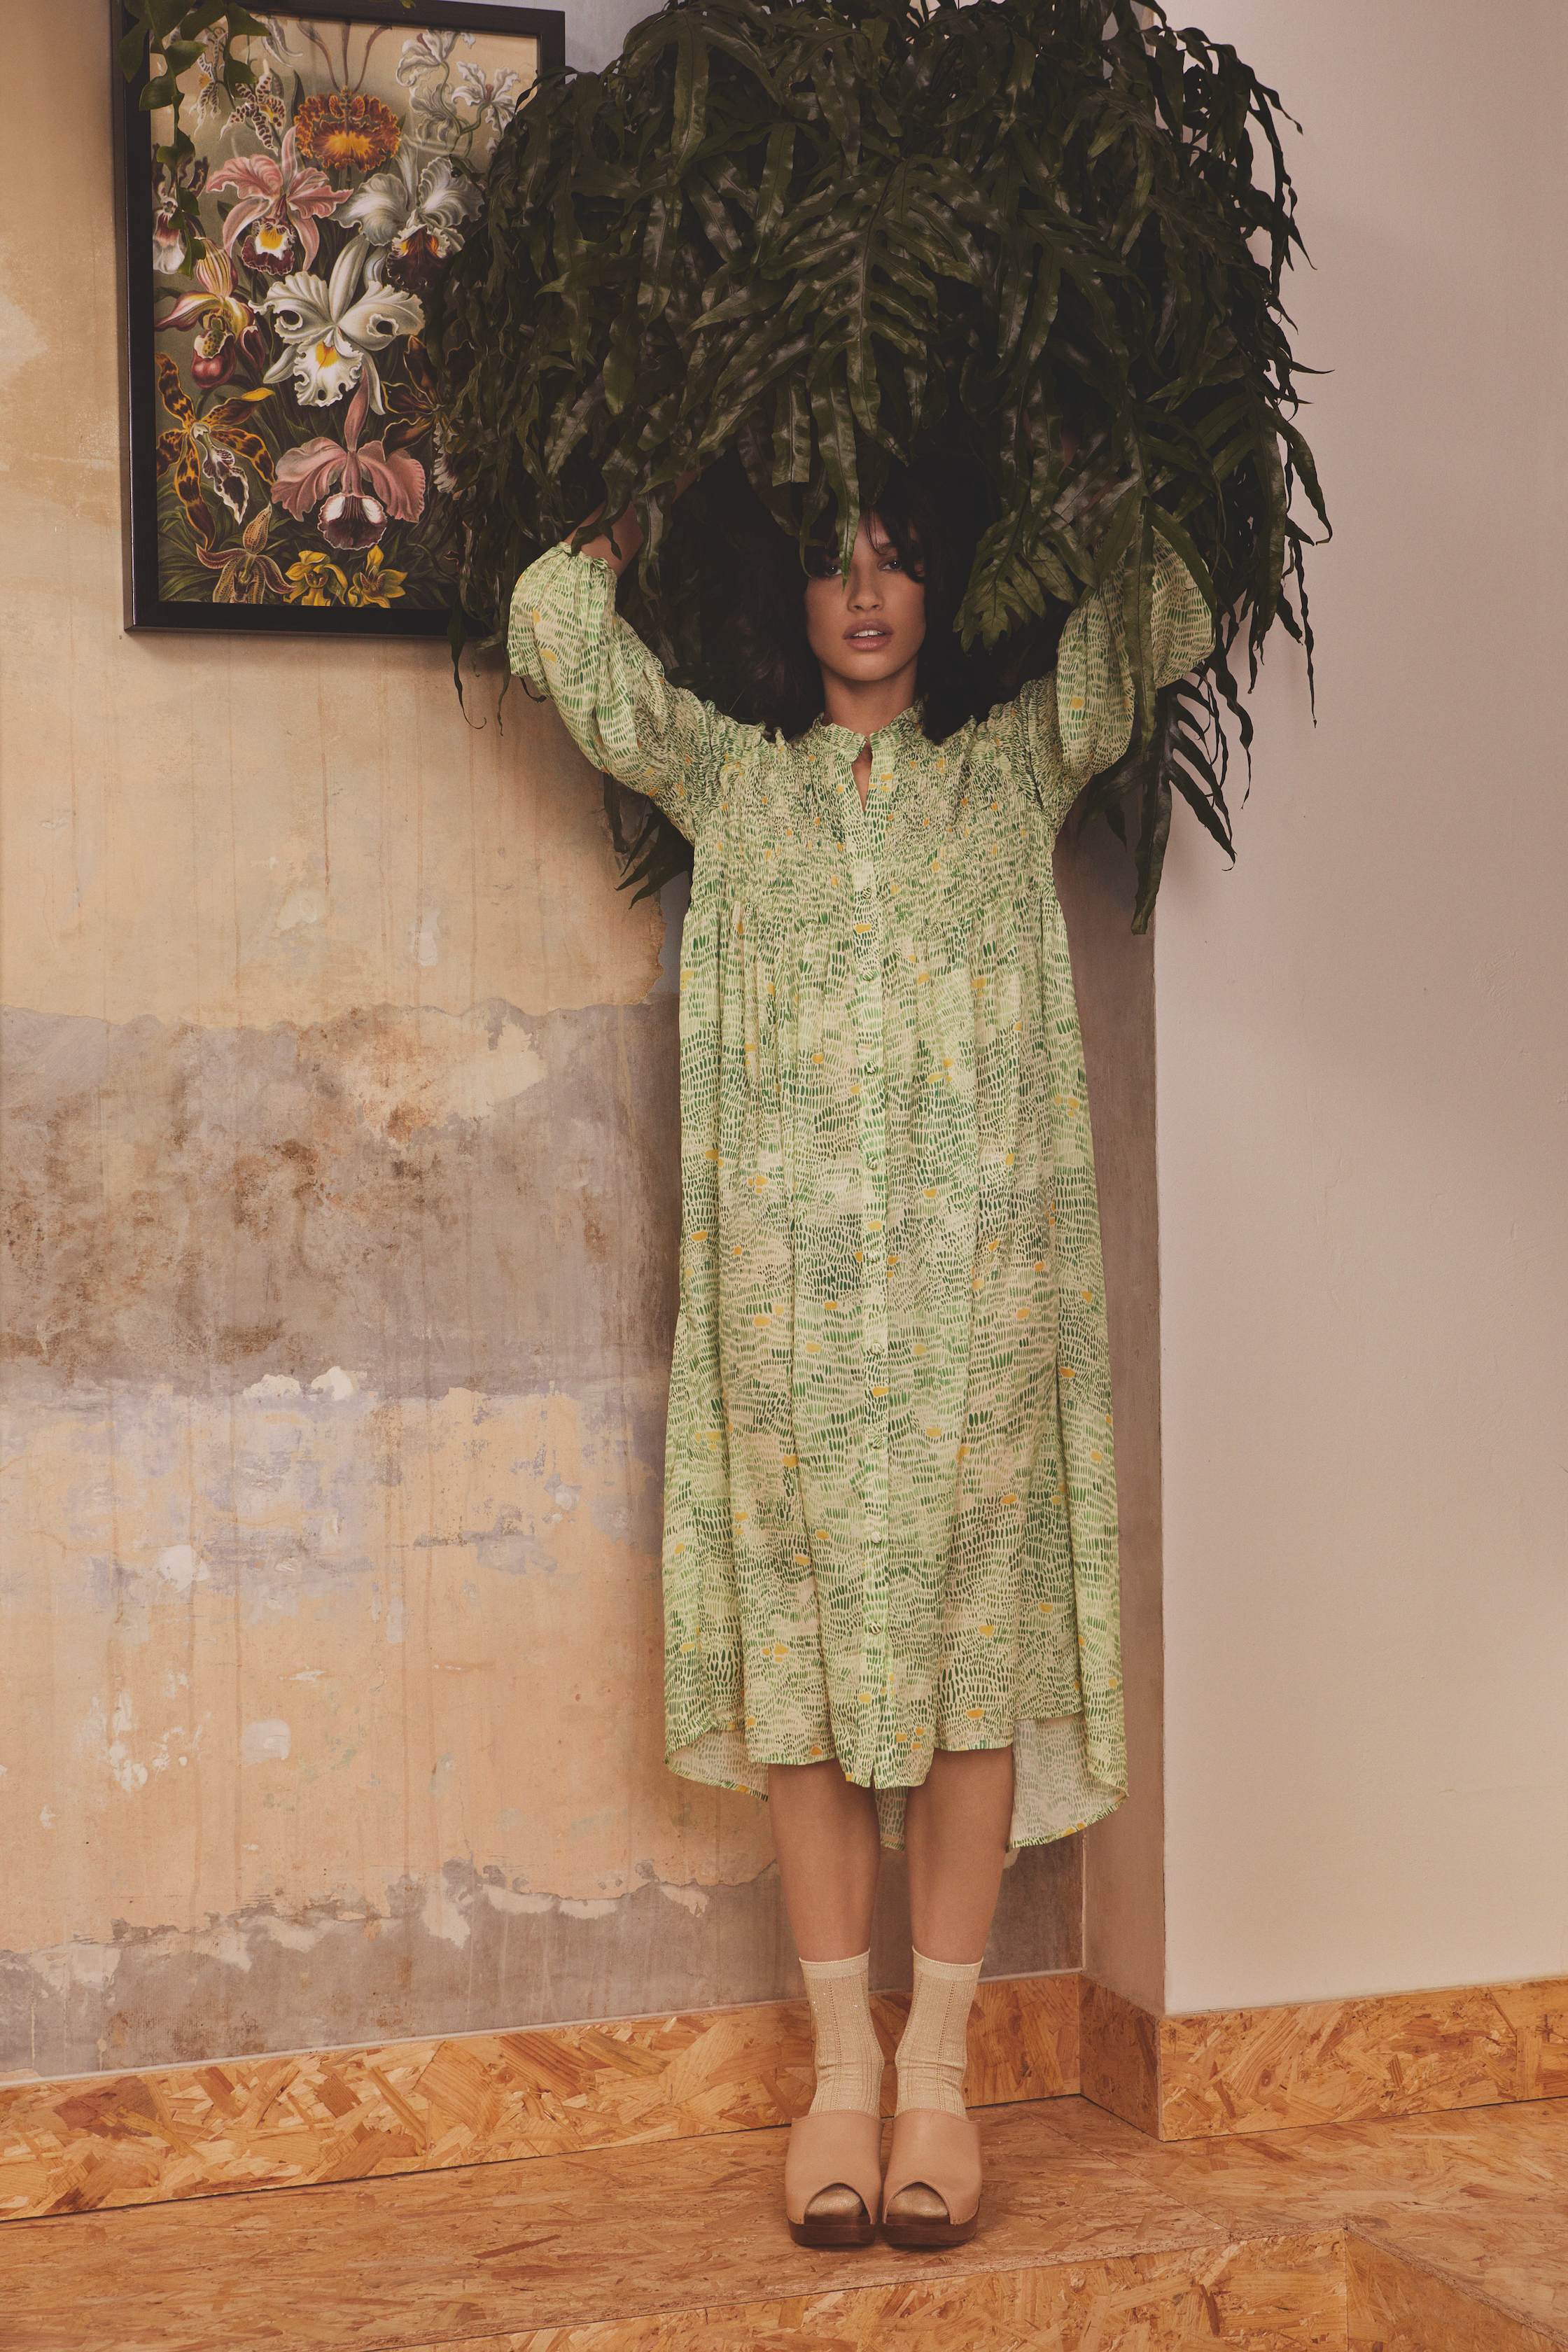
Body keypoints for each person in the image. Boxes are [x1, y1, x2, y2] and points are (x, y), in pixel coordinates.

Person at [509, 472, 1210, 2248]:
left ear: (943, 579)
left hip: (978, 1328)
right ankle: (840, 2075)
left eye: (898, 553)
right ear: (793, 594)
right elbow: (559, 644)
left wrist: (1095, 491)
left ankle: (942, 2082)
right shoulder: (739, 788)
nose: (868, 590)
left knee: (970, 1692)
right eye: (835, 560)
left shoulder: (1007, 778)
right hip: (793, 1327)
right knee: (810, 1698)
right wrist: (641, 501)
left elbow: (1162, 627)